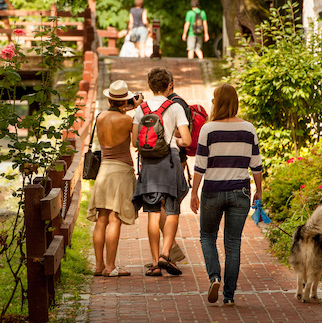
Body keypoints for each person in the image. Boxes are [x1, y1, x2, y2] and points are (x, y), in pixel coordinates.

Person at [190, 83, 263, 306]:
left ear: (217, 102)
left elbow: (200, 165)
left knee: (207, 236)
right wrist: (259, 191)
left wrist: (194, 193)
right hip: (240, 190)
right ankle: (229, 295)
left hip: (213, 190)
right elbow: (256, 165)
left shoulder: (208, 129)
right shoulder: (249, 128)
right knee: (233, 243)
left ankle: (214, 277)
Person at [132, 67, 191, 277]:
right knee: (173, 208)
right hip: (170, 162)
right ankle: (166, 254)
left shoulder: (141, 109)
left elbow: (134, 141)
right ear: (169, 86)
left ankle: (156, 264)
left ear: (150, 86)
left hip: (148, 164)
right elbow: (187, 140)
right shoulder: (175, 107)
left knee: (152, 212)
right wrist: (173, 139)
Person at [87, 80, 143, 277]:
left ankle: (99, 265)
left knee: (101, 219)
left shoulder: (100, 117)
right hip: (121, 171)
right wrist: (137, 109)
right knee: (115, 218)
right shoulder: (128, 121)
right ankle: (111, 267)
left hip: (104, 170)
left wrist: (128, 107)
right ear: (125, 100)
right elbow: (136, 143)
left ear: (109, 98)